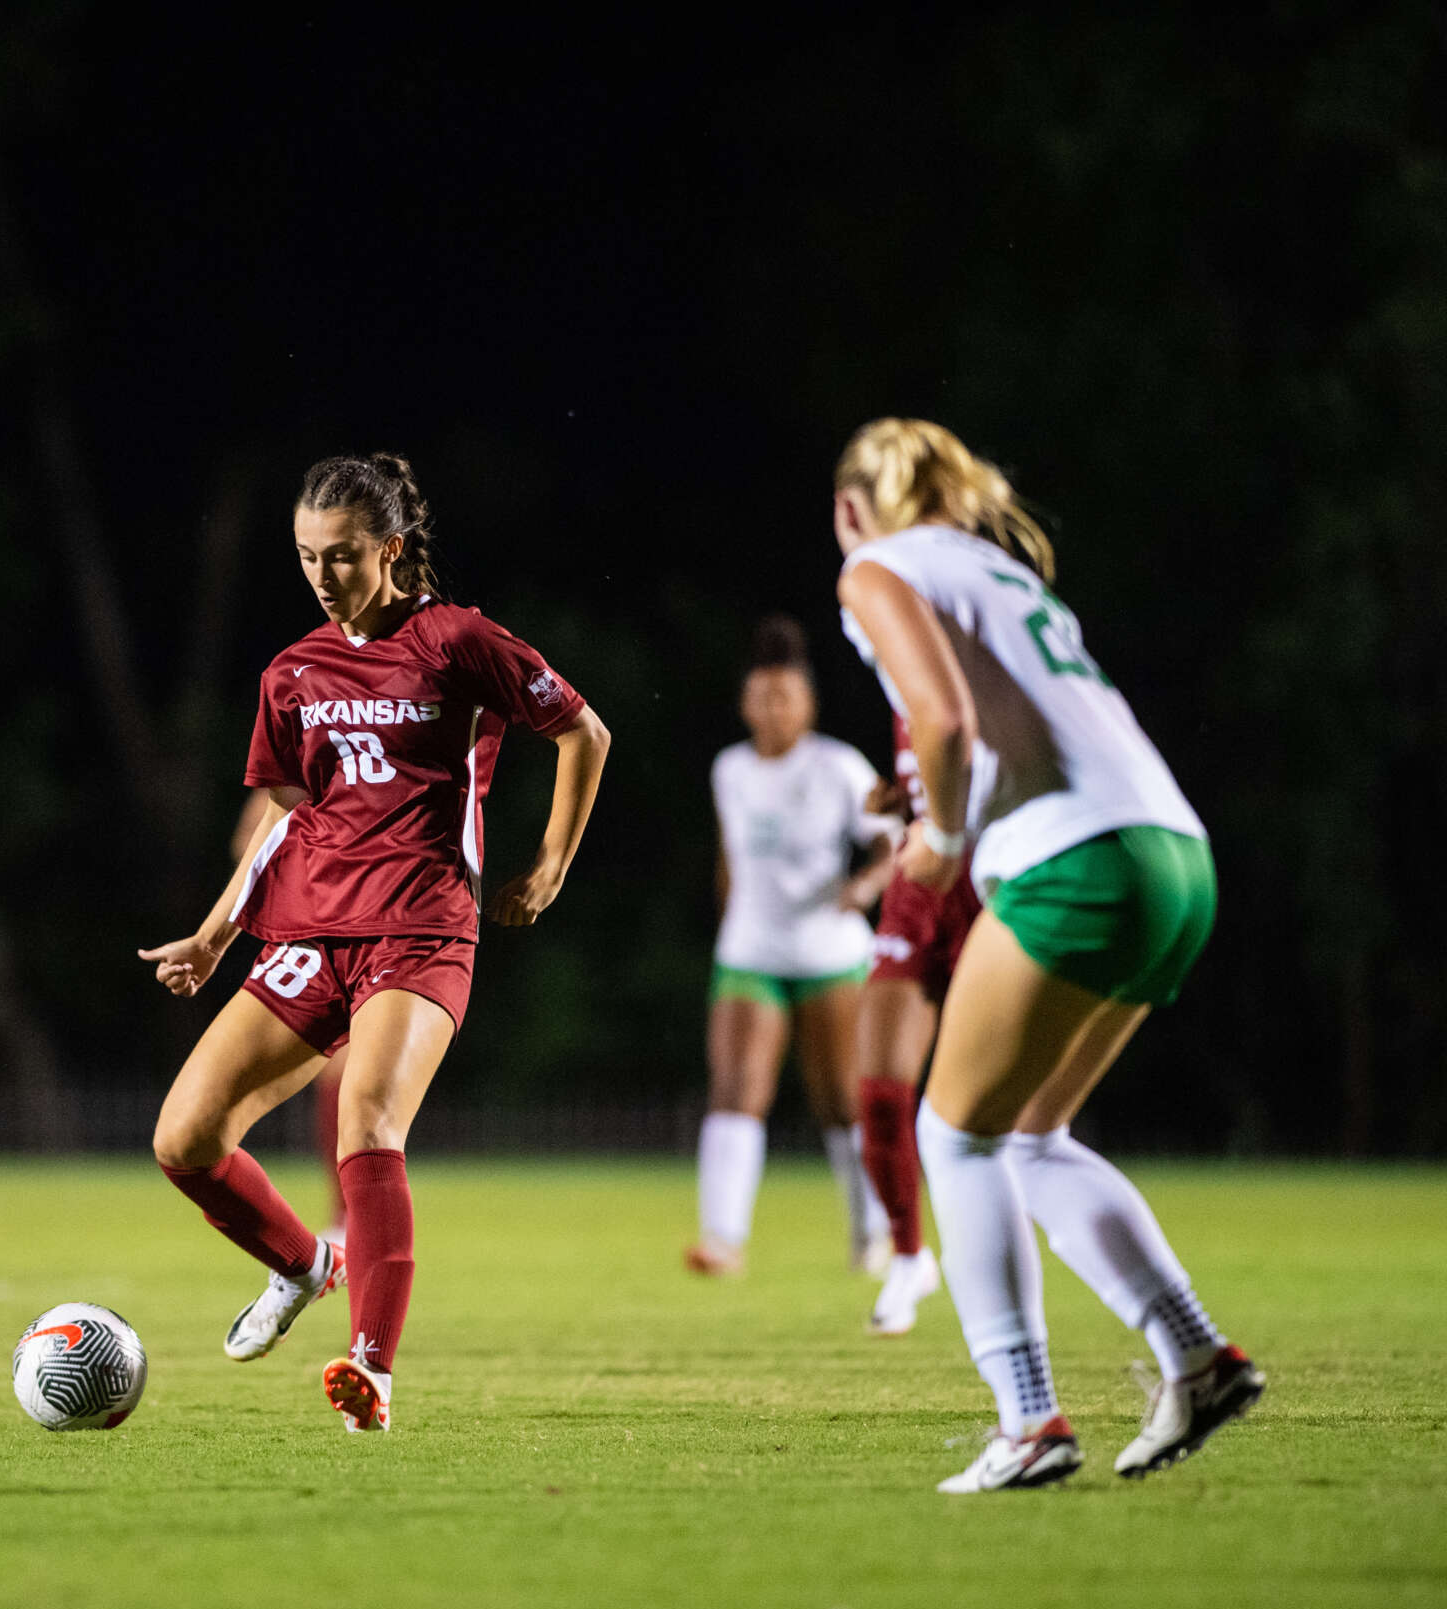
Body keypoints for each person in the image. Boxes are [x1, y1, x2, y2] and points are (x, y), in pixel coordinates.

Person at [831, 417, 1264, 1491]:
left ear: (851, 511)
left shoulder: (875, 566)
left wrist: (932, 837)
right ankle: (1196, 1356)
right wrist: (937, 794)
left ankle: (1028, 1418)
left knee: (954, 1136)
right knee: (1027, 1131)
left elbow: (943, 721)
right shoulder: (991, 561)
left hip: (1072, 859)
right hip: (1173, 851)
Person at [142, 453, 610, 1433]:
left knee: (366, 1120)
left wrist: (550, 864)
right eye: (308, 554)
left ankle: (370, 1367)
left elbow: (584, 734)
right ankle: (306, 1262)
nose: (322, 572)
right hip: (312, 925)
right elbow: (284, 814)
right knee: (183, 1138)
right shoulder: (293, 671)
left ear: (390, 549)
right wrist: (215, 933)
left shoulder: (457, 640)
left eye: (343, 554)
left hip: (422, 920)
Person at [690, 616, 897, 1279]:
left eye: (785, 697)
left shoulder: (837, 765)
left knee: (841, 1096)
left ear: (806, 702)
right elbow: (730, 858)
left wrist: (865, 886)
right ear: (745, 702)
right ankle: (723, 1239)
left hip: (830, 954)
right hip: (750, 952)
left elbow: (894, 839)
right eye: (761, 696)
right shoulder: (730, 768)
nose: (772, 708)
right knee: (736, 1086)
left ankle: (874, 1232)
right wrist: (728, 918)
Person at [855, 723, 978, 1338]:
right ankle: (909, 1257)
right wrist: (907, 802)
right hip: (919, 881)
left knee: (1006, 1123)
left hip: (996, 885)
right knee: (878, 1096)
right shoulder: (900, 673)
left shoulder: (978, 647)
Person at [229, 789, 348, 1243]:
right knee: (339, 1072)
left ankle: (349, 1217)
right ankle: (345, 1217)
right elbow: (247, 842)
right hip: (310, 935)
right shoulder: (300, 766)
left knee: (351, 1073)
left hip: (375, 931)